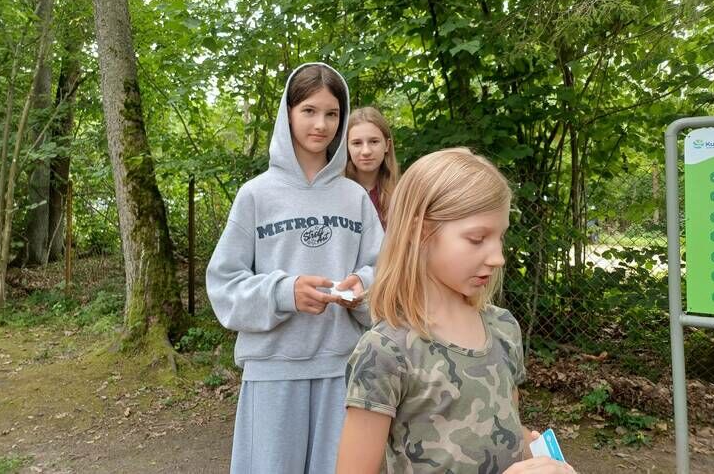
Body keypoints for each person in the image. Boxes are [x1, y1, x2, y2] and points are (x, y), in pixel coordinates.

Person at [336, 148, 576, 474]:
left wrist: (546, 462)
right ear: (421, 231)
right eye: (477, 239)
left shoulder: (503, 327)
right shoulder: (386, 350)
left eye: (500, 237)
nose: (498, 257)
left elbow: (505, 432)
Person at [206, 63, 384, 474]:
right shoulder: (255, 196)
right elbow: (224, 285)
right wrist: (285, 293)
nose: (321, 124)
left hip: (341, 370)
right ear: (287, 113)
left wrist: (362, 288)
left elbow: (385, 272)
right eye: (309, 111)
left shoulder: (354, 197)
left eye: (332, 113)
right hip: (273, 372)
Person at [345, 107, 399, 229]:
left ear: (387, 145)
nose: (366, 151)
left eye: (374, 142)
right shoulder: (336, 193)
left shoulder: (402, 193)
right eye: (357, 143)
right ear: (347, 147)